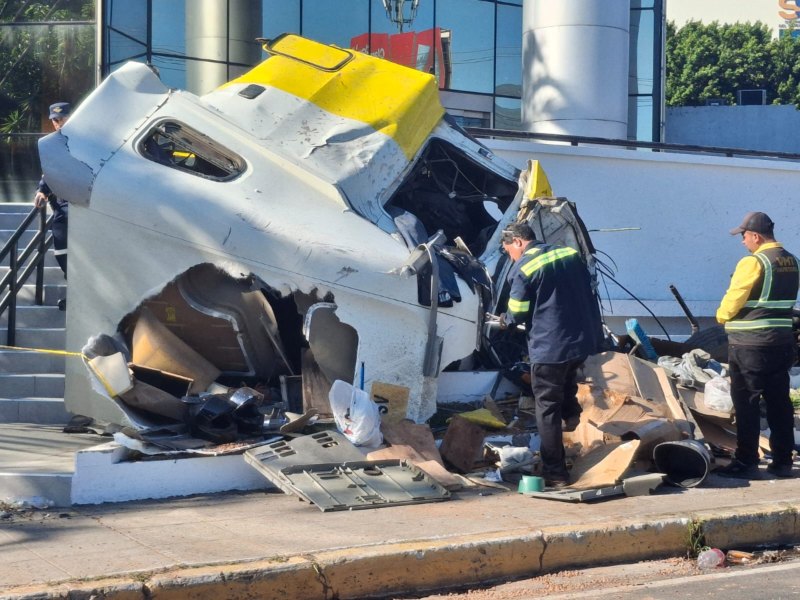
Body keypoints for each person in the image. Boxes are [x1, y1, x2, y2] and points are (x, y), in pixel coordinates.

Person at [498, 221, 604, 488]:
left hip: (550, 348)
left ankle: (555, 473)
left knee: (546, 409)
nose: (511, 257)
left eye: (509, 251)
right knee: (567, 385)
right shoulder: (569, 254)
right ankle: (574, 423)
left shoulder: (525, 267)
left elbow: (517, 312)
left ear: (518, 242)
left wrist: (505, 320)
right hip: (581, 343)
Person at [715, 211, 799, 479]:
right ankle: (783, 462)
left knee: (747, 403)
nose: (742, 241)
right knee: (779, 402)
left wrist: (722, 316)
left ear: (756, 236)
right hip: (781, 343)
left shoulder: (753, 262)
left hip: (749, 345)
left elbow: (735, 298)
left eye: (743, 236)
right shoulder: (792, 261)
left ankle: (746, 461)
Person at [34, 102, 71, 310]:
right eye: (55, 120)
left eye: (62, 118)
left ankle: (80, 295)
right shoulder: (51, 144)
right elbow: (50, 171)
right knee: (62, 252)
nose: (58, 123)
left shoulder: (86, 140)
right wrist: (42, 191)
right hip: (63, 209)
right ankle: (75, 292)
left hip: (85, 206)